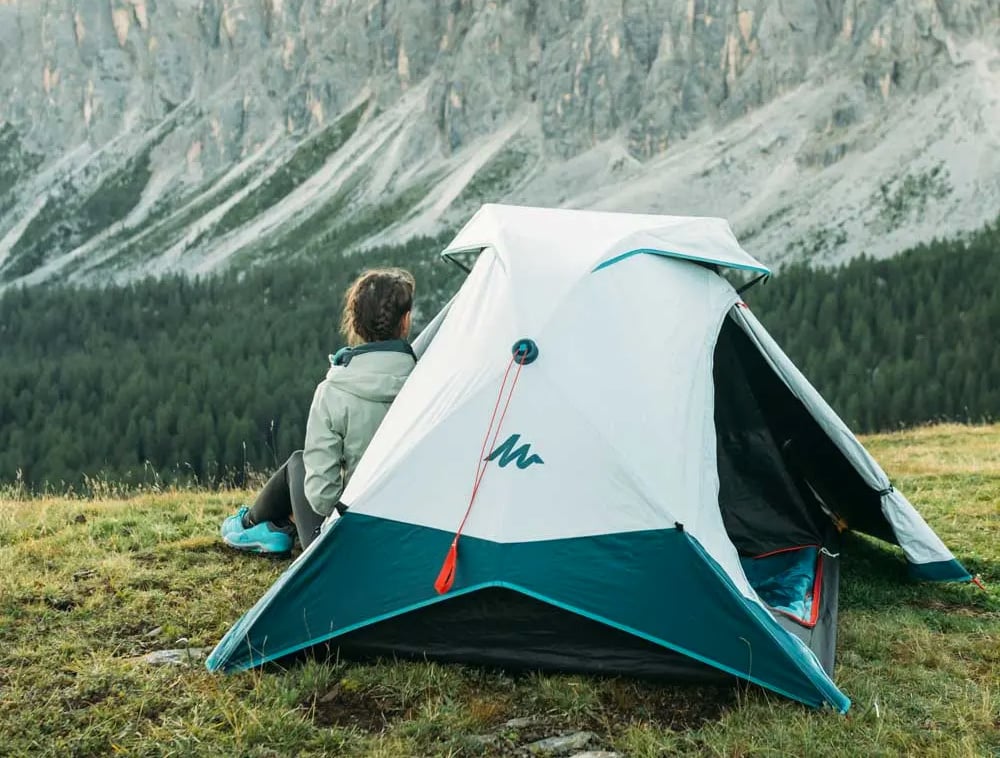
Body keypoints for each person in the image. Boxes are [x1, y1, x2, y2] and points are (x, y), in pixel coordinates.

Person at [220, 268, 417, 554]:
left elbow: (321, 497)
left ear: (355, 322)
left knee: (298, 464)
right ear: (406, 320)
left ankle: (251, 526)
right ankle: (274, 529)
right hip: (410, 530)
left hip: (343, 546)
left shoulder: (333, 391)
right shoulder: (426, 382)